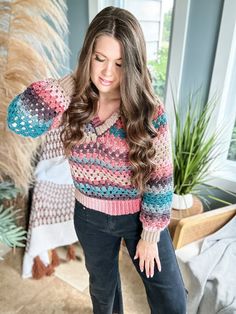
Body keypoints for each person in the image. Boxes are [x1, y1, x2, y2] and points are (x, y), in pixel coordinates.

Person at [7, 6, 187, 314]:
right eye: (99, 58)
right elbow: (19, 122)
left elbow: (160, 177)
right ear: (88, 55)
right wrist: (69, 85)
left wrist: (150, 235)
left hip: (138, 217)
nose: (107, 73)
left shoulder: (148, 109)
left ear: (132, 64)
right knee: (103, 295)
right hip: (89, 217)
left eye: (119, 63)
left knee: (171, 299)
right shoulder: (68, 100)